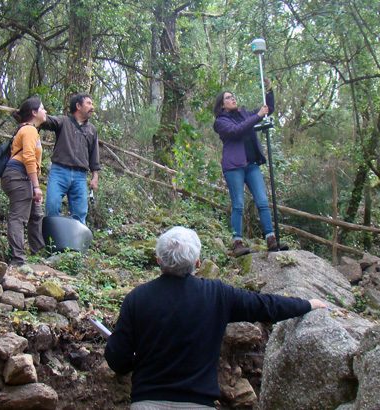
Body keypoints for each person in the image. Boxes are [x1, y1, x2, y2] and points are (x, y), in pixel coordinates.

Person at [104, 226, 327, 409]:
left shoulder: (137, 298)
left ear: (158, 260)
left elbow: (116, 358)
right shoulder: (217, 295)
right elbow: (265, 305)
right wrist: (307, 304)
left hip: (147, 402)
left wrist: (134, 362)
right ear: (198, 263)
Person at [213, 81, 277, 256]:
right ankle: (237, 242)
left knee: (263, 202)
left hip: (251, 165)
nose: (232, 99)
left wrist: (269, 91)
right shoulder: (221, 122)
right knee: (238, 205)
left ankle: (271, 238)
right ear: (222, 104)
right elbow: (236, 131)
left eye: (233, 96)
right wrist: (257, 115)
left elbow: (268, 109)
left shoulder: (244, 114)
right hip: (234, 167)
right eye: (228, 97)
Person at [1, 97, 48, 266]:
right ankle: (18, 259)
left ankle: (37, 252)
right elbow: (28, 158)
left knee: (36, 214)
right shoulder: (29, 130)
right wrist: (36, 186)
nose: (46, 111)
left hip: (22, 176)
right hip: (18, 176)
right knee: (18, 217)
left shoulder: (29, 130)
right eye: (43, 108)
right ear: (34, 113)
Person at [41, 93, 100, 225]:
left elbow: (94, 154)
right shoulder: (63, 122)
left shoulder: (92, 130)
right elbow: (46, 120)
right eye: (89, 103)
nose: (92, 107)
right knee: (52, 206)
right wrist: (31, 113)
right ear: (78, 106)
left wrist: (95, 176)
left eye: (92, 104)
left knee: (80, 213)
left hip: (80, 176)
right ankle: (54, 243)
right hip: (59, 172)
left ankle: (76, 245)